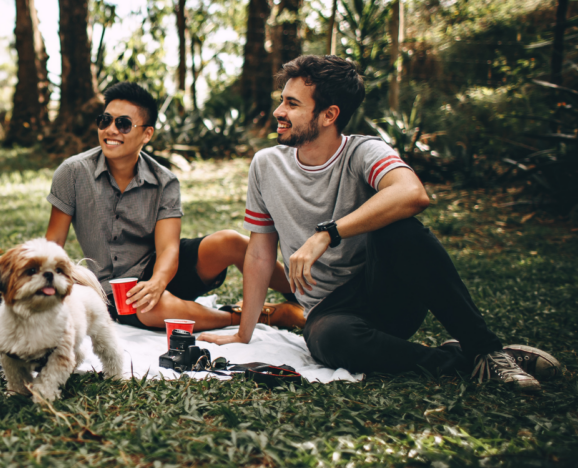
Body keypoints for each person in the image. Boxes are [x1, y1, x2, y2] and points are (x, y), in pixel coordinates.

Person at [200, 55, 561, 390]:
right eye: (283, 99)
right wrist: (243, 333)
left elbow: (412, 193)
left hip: (387, 292)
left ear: (329, 115)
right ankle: (467, 361)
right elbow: (260, 254)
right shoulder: (266, 165)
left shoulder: (364, 151)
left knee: (400, 228)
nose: (279, 110)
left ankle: (487, 348)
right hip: (330, 313)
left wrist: (328, 233)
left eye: (292, 104)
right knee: (330, 341)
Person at [44, 82, 304, 331]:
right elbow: (53, 242)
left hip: (162, 270)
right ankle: (259, 315)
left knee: (231, 241)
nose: (111, 130)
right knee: (150, 308)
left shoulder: (164, 181)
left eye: (123, 124)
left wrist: (157, 282)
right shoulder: (73, 173)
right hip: (114, 290)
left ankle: (306, 298)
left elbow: (168, 247)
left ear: (147, 134)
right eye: (105, 120)